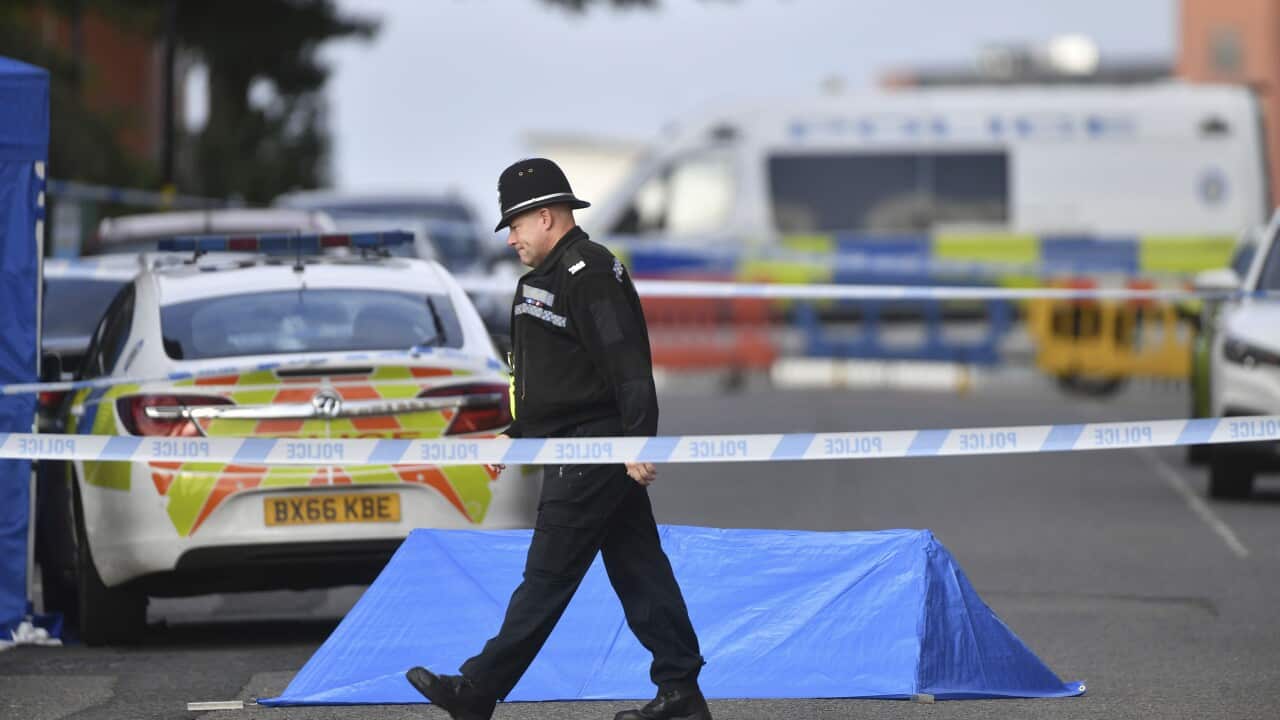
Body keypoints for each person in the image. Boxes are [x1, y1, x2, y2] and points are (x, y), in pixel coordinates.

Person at [406, 158, 711, 720]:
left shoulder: (589, 274)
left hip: (594, 447)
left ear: (546, 216)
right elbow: (553, 379)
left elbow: (626, 366)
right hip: (572, 445)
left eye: (516, 225)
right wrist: (516, 435)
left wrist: (637, 441)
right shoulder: (542, 280)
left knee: (546, 576)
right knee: (639, 568)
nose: (512, 238)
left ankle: (477, 690)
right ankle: (681, 692)